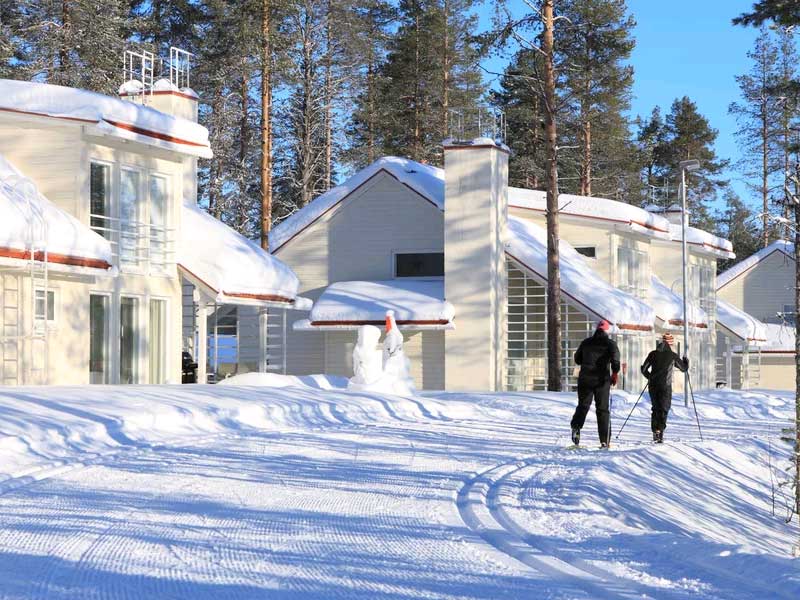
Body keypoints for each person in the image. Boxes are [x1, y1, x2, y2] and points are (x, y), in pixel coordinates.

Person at [570, 319, 621, 448]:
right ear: (607, 331)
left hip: (585, 379)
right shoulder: (610, 344)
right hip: (602, 380)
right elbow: (615, 360)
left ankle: (576, 427)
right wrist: (615, 374)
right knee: (602, 409)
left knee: (583, 405)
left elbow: (577, 359)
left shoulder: (586, 342)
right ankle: (604, 440)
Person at [640, 333, 689, 443]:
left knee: (655, 408)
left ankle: (655, 432)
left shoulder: (652, 354)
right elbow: (683, 368)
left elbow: (643, 370)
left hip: (653, 386)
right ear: (670, 344)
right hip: (665, 386)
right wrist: (686, 362)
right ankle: (660, 432)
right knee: (664, 408)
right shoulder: (672, 355)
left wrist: (650, 378)